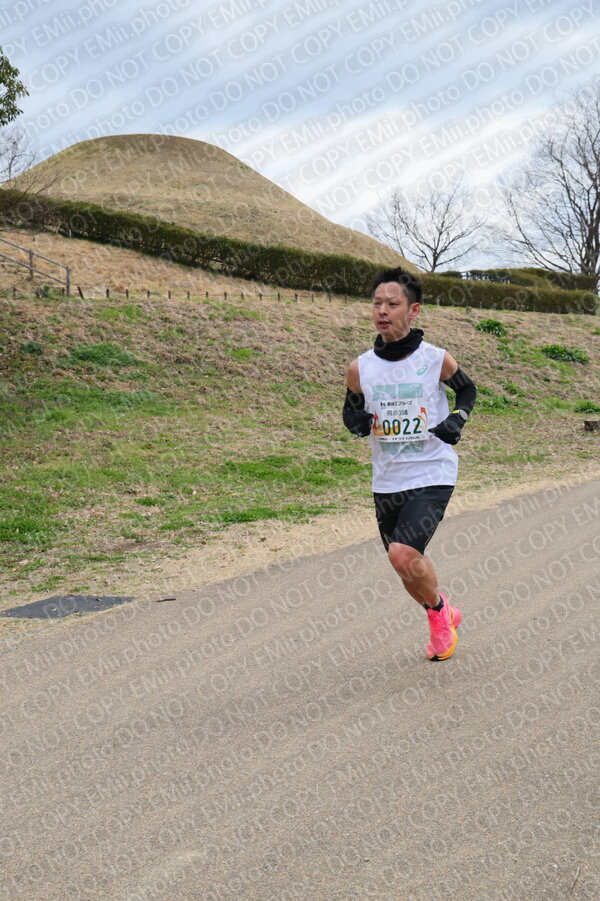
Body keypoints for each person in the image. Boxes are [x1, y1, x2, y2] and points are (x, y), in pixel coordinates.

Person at [343, 268, 476, 660]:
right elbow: (350, 412)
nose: (382, 311)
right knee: (404, 565)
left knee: (402, 553)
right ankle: (442, 609)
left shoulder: (435, 359)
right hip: (387, 479)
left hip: (432, 470)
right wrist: (356, 422)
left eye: (392, 304)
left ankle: (437, 618)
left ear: (413, 310)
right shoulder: (360, 367)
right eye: (376, 304)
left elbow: (467, 390)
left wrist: (457, 419)